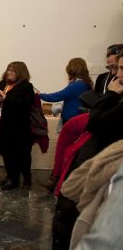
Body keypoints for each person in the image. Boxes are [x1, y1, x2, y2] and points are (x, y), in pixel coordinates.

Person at [52, 54, 123, 250]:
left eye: (119, 68)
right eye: (113, 68)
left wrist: (109, 95)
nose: (116, 75)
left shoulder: (80, 85)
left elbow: (96, 123)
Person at [0, 62, 35, 190]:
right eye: (8, 70)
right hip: (3, 126)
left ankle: (25, 180)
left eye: (13, 71)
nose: (9, 73)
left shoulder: (26, 86)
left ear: (20, 73)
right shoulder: (2, 84)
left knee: (22, 155)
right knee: (7, 153)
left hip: (19, 128)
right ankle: (11, 177)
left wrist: (6, 98)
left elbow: (26, 105)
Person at [40, 57, 93, 131]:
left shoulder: (77, 85)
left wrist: (40, 95)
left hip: (73, 120)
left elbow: (57, 96)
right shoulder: (85, 83)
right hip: (78, 118)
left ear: (72, 69)